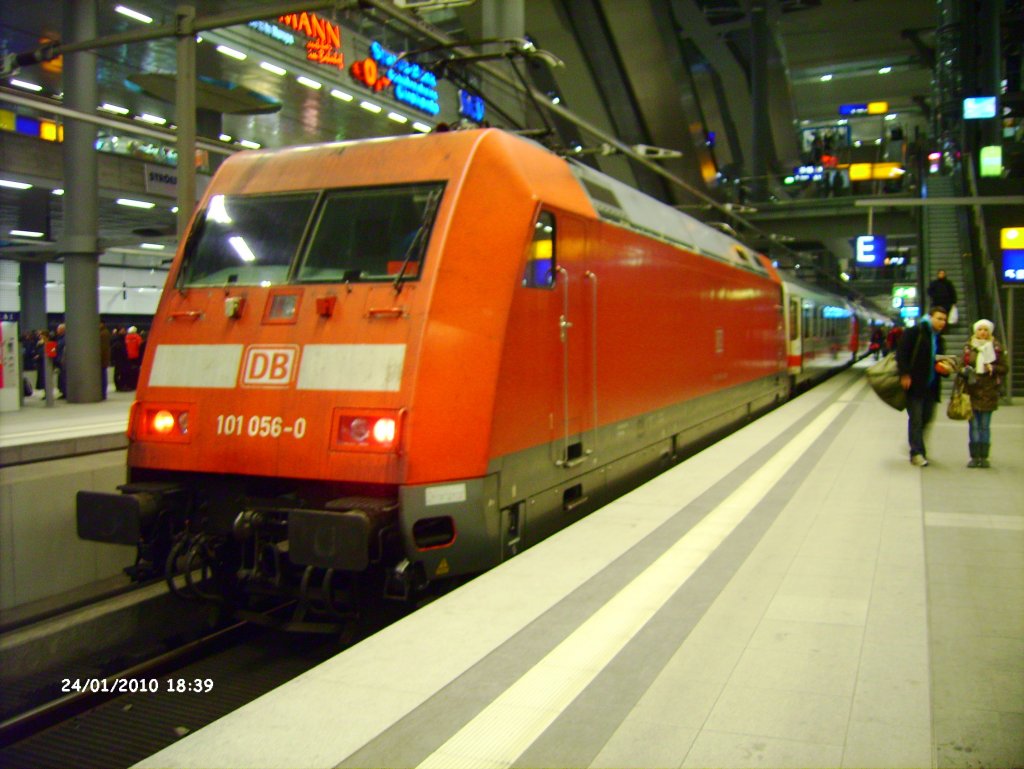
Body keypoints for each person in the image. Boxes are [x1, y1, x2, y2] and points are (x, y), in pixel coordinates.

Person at [896, 306, 950, 466]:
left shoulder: (940, 339)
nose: (942, 322)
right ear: (930, 317)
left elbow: (941, 361)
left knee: (927, 418)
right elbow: (902, 353)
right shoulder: (915, 332)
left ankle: (918, 448)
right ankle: (916, 453)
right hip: (915, 385)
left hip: (931, 387)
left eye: (944, 320)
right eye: (939, 318)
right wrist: (904, 374)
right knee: (916, 419)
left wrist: (945, 369)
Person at [959, 319, 1007, 468]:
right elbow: (961, 366)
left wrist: (993, 368)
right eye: (980, 329)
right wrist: (965, 371)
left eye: (986, 330)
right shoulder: (969, 348)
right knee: (973, 426)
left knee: (985, 425)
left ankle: (984, 457)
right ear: (975, 331)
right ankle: (974, 456)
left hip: (988, 392)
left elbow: (1004, 368)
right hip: (972, 391)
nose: (983, 332)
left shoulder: (996, 348)